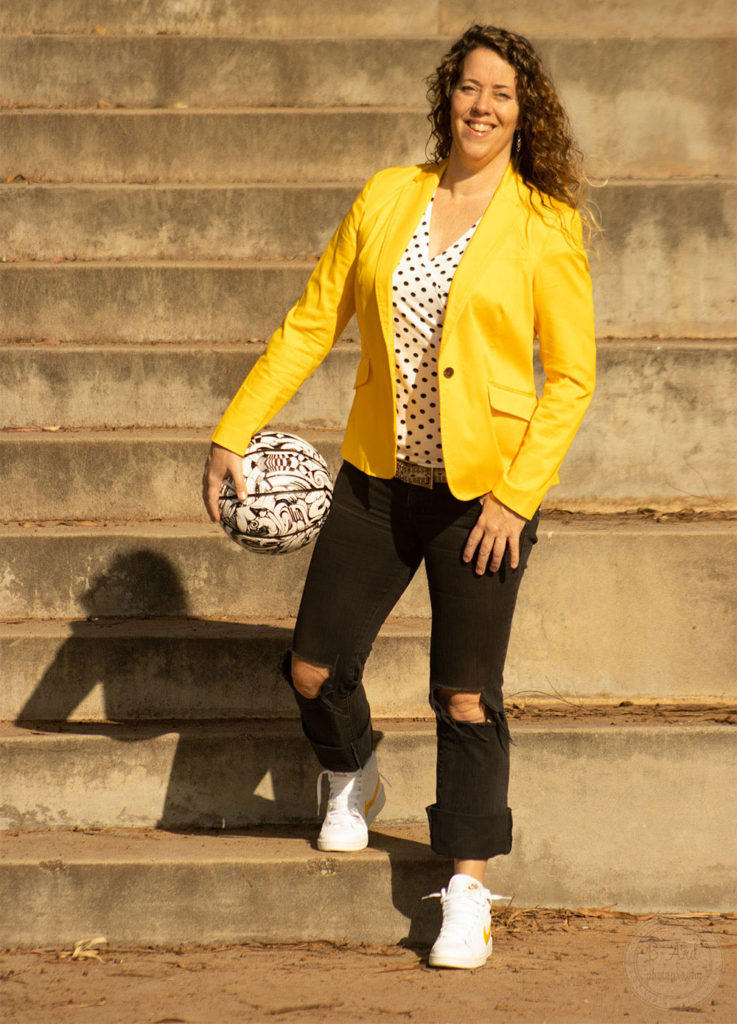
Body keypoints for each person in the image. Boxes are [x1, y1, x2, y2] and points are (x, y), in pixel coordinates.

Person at [203, 24, 596, 970]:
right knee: (308, 668)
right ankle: (351, 768)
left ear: (522, 109)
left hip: (482, 497)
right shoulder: (389, 195)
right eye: (469, 87)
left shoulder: (545, 222)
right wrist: (232, 428)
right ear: (446, 95)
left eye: (502, 93)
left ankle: (465, 889)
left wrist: (515, 496)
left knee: (465, 697)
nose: (482, 105)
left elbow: (571, 377)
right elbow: (312, 320)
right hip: (378, 480)